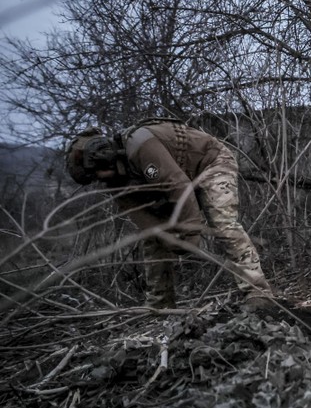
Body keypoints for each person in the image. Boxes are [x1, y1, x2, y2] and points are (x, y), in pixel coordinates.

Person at [65, 118, 275, 310]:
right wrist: (167, 237)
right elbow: (143, 218)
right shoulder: (114, 182)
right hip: (177, 180)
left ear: (102, 155)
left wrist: (190, 235)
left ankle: (258, 292)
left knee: (223, 223)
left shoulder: (140, 145)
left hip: (210, 163)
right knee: (152, 239)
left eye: (98, 171)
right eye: (95, 177)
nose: (100, 177)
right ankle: (160, 304)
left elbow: (178, 186)